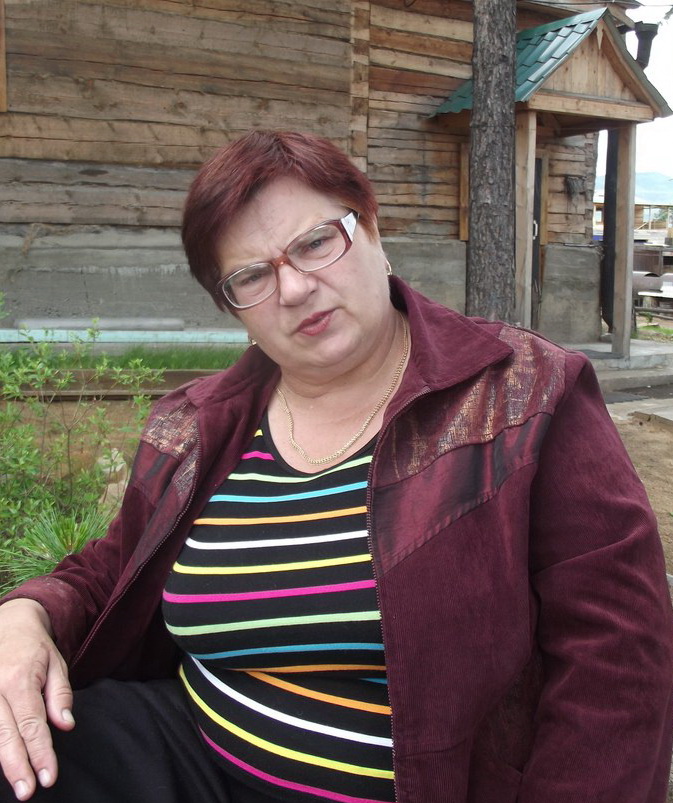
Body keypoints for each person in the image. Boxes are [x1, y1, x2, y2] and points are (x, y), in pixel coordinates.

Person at [0, 130, 672, 803]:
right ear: (232, 308)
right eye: (251, 277)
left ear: (371, 229)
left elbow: (618, 663)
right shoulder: (202, 424)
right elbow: (116, 565)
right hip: (183, 759)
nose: (294, 288)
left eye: (316, 243)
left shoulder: (525, 394)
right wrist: (27, 613)